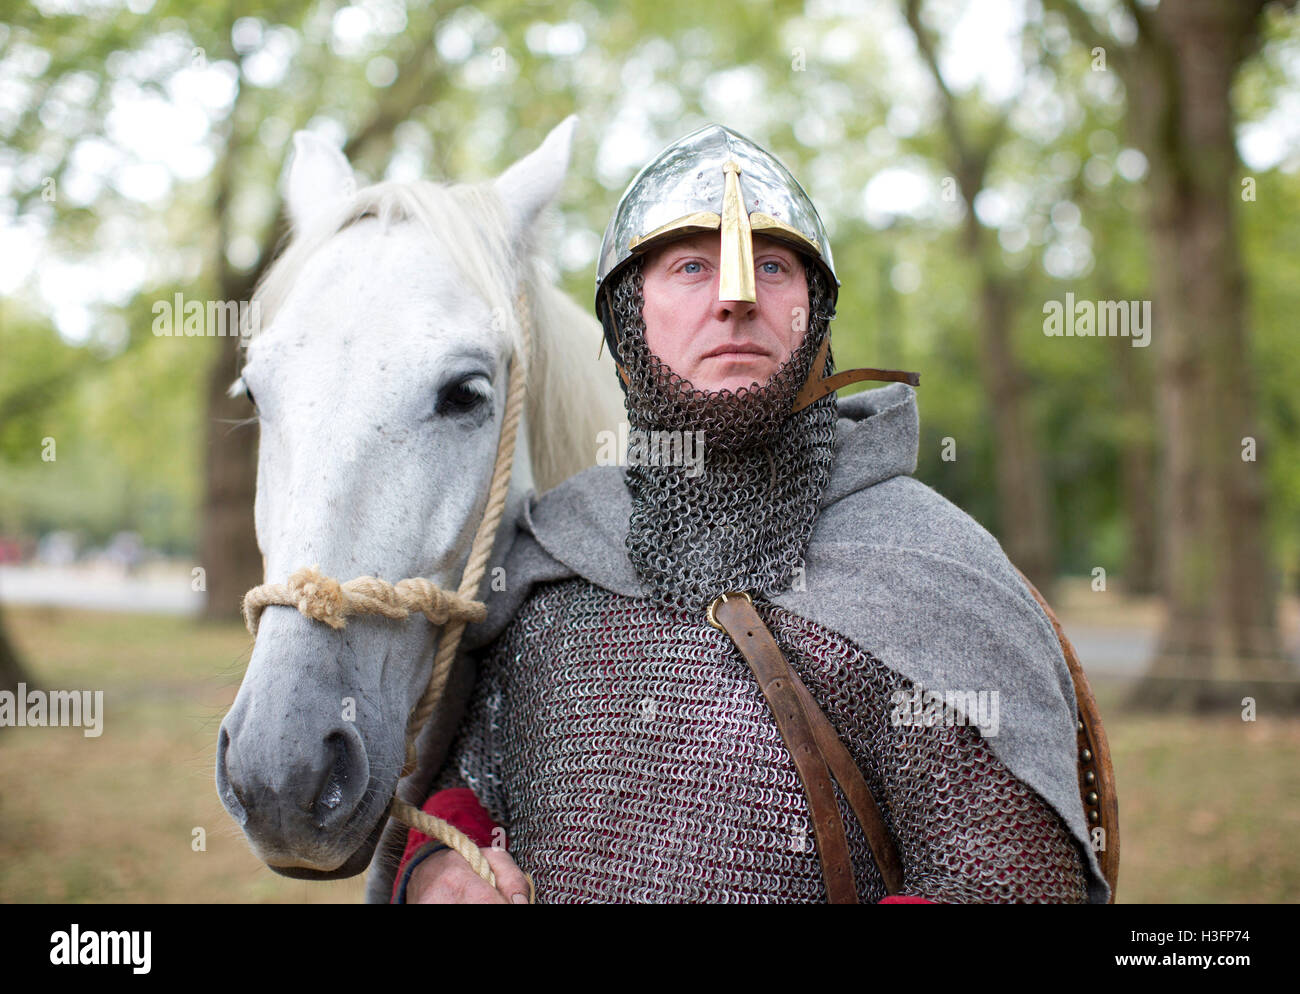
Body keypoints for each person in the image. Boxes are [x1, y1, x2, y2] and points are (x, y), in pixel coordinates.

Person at [388, 125, 1109, 904]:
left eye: (772, 266)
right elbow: (465, 785)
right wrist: (440, 868)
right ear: (627, 323)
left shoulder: (931, 571)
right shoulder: (552, 555)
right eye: (692, 266)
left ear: (816, 313)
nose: (737, 296)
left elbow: (1006, 883)